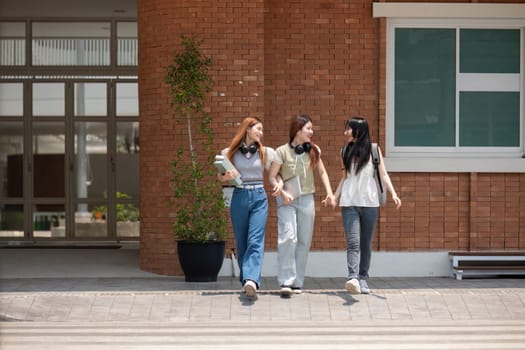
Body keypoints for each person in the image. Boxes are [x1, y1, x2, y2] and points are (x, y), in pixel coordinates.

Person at [268, 114, 336, 297]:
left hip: (306, 199)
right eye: (308, 129)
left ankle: (297, 282)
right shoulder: (281, 151)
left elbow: (322, 172)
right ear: (298, 130)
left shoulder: (313, 150)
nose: (311, 132)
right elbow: (272, 176)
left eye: (312, 129)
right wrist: (282, 192)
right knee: (289, 237)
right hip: (287, 199)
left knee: (304, 240)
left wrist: (329, 193)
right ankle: (285, 281)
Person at [333, 116, 401, 295]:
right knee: (353, 242)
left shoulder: (373, 150)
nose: (345, 132)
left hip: (370, 203)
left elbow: (384, 175)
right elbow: (345, 177)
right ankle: (353, 278)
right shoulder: (344, 151)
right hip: (349, 203)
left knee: (366, 243)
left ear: (358, 130)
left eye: (348, 129)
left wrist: (393, 194)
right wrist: (334, 195)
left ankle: (363, 278)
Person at [217, 117, 277, 299]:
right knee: (242, 241)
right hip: (239, 196)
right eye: (258, 129)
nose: (261, 132)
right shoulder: (229, 152)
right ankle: (247, 281)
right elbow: (220, 178)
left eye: (262, 129)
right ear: (247, 129)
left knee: (255, 239)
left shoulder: (267, 152)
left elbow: (275, 175)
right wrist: (227, 176)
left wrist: (279, 184)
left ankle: (252, 279)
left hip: (259, 196)